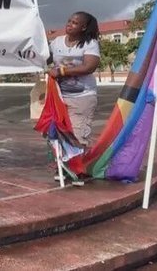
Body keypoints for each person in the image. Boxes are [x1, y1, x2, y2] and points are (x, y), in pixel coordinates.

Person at [47, 12, 101, 185]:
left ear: (83, 27)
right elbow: (43, 58)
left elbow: (89, 66)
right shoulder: (57, 42)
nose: (69, 24)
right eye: (69, 21)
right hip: (59, 96)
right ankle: (63, 168)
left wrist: (62, 71)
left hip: (82, 97)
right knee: (59, 132)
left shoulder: (90, 44)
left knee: (78, 134)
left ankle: (77, 170)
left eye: (75, 23)